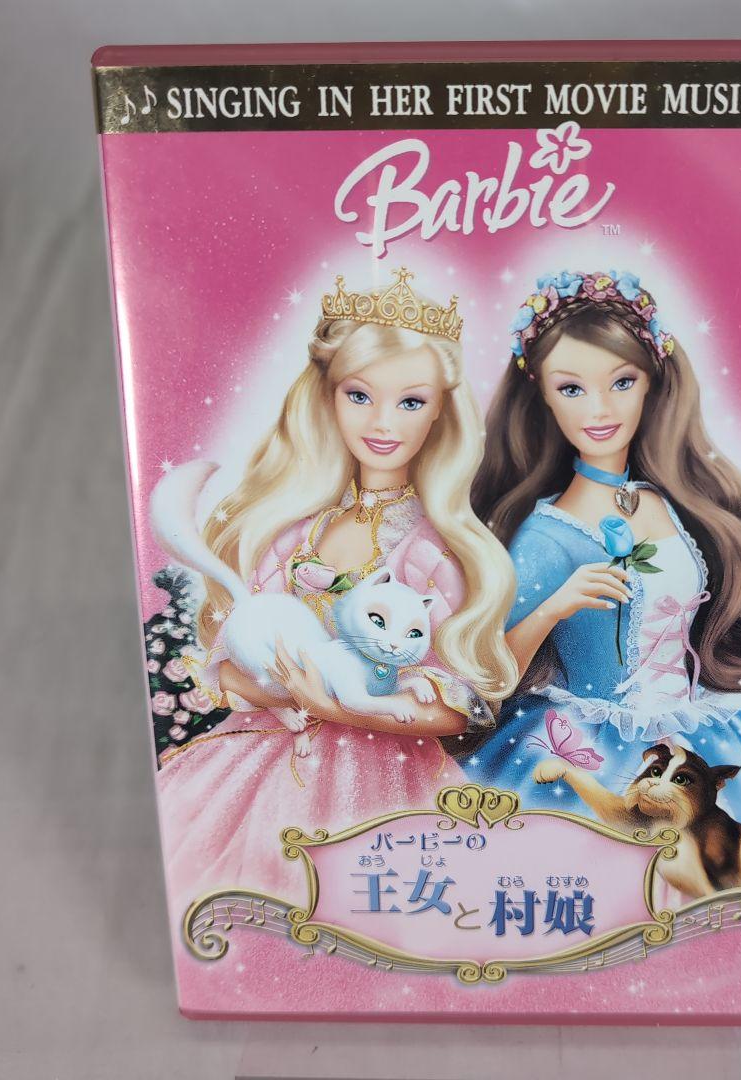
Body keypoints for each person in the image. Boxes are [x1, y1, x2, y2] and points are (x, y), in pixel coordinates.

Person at [156, 267, 517, 907]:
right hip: (262, 758)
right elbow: (230, 663)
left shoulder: (432, 552)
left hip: (386, 776)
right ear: (326, 397)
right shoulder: (293, 530)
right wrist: (267, 686)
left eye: (411, 402)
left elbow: (452, 709)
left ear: (440, 410)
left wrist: (334, 707)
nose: (384, 423)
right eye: (359, 396)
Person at [465, 269, 741, 826]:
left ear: (651, 384)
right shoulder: (545, 537)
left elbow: (688, 626)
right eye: (572, 389)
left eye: (621, 382)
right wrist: (554, 608)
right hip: (596, 748)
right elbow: (489, 676)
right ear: (543, 396)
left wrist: (732, 697)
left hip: (701, 734)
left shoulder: (669, 502)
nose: (599, 410)